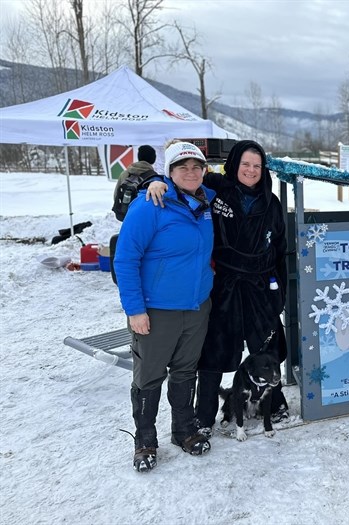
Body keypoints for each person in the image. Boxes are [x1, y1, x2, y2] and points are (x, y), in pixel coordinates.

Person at [146, 139, 289, 436]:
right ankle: (205, 416)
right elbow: (185, 179)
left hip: (259, 287)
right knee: (213, 353)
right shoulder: (215, 188)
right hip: (223, 286)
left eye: (257, 166)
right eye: (245, 164)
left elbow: (278, 249)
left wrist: (278, 290)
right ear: (233, 164)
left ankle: (275, 405)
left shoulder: (270, 202)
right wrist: (157, 182)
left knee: (266, 347)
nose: (250, 171)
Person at [114, 141, 215, 471]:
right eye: (182, 167)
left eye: (196, 166)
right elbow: (126, 258)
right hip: (156, 309)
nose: (190, 172)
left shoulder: (206, 203)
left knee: (186, 371)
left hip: (197, 306)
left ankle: (184, 430)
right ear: (169, 172)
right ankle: (145, 440)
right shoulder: (150, 204)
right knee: (149, 375)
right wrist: (134, 309)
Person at [113, 145, 157, 209]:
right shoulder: (154, 177)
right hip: (143, 215)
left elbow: (116, 195)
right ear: (153, 159)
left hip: (125, 214)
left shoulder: (125, 173)